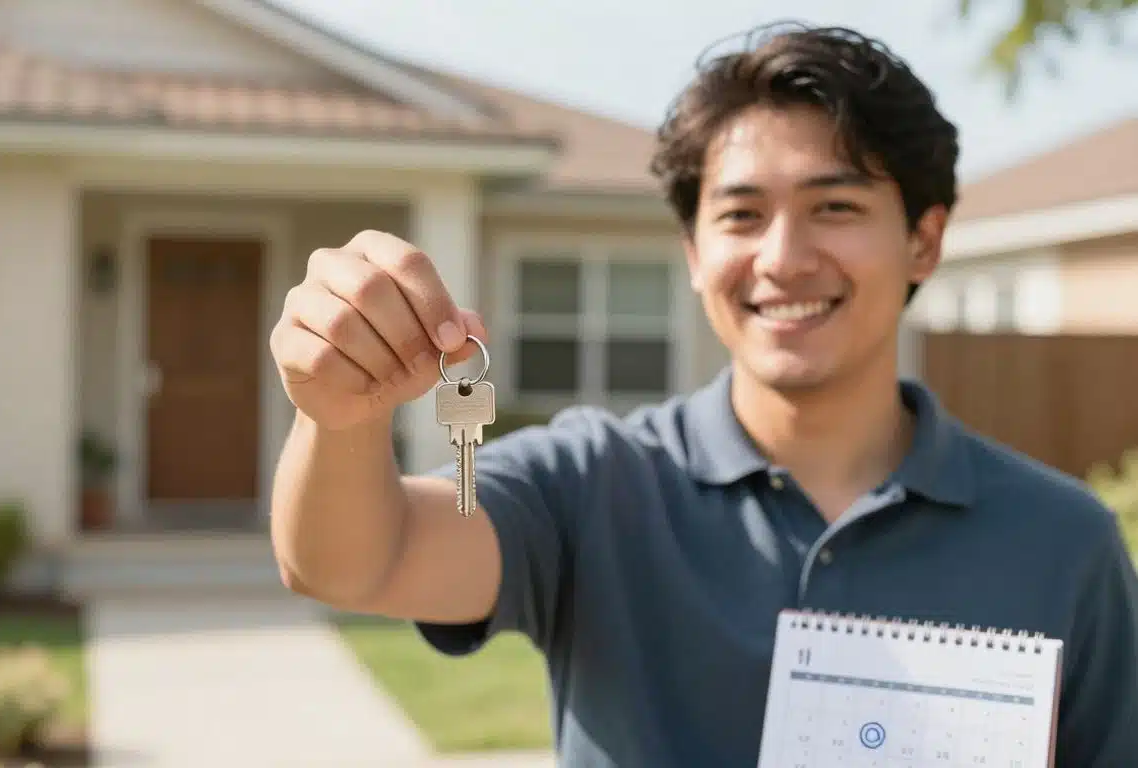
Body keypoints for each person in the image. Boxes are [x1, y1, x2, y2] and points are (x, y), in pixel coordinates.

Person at [267, 22, 1138, 767]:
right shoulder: (590, 484)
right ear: (691, 250)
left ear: (924, 240)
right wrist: (340, 420)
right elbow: (354, 562)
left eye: (834, 207)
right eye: (741, 214)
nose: (783, 258)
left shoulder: (1064, 541)